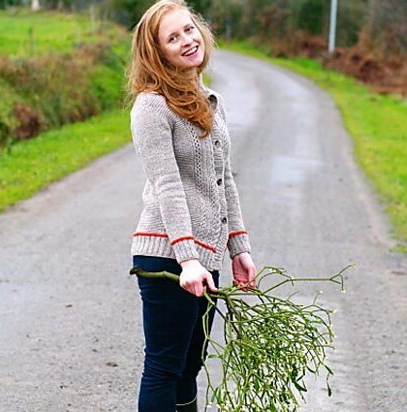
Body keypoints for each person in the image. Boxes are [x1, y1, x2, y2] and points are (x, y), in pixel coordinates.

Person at [126, 1, 257, 411]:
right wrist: (187, 258)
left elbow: (224, 179)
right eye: (172, 37)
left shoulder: (207, 98)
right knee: (164, 368)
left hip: (203, 259)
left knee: (189, 368)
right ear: (157, 52)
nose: (187, 40)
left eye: (189, 29)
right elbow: (168, 184)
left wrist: (240, 248)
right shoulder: (151, 106)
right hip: (167, 259)